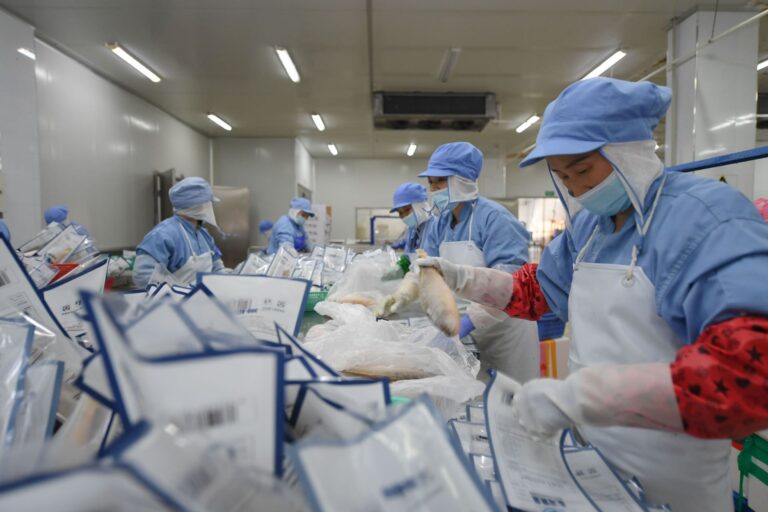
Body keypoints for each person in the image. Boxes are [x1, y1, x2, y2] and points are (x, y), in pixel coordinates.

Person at [416, 78, 768, 511]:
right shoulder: (589, 227)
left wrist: (582, 396)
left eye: (582, 171)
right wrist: (461, 278)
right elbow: (536, 291)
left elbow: (749, 374)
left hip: (675, 475)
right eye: (563, 176)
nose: (575, 189)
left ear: (629, 152)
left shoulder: (706, 219)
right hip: (593, 458)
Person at [384, 142, 539, 384]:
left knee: (509, 400)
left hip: (505, 333)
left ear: (463, 180)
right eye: (431, 183)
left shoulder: (496, 219)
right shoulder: (440, 223)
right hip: (468, 335)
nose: (434, 190)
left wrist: (468, 322)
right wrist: (403, 294)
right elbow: (425, 268)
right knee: (472, 398)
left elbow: (511, 287)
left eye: (440, 182)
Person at [133, 177, 226, 288]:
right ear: (195, 205)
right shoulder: (162, 234)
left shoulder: (204, 235)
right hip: (174, 299)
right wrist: (176, 292)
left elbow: (217, 267)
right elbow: (143, 276)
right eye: (207, 203)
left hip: (203, 298)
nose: (210, 207)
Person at [389, 182, 433, 254]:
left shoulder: (437, 228)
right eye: (400, 213)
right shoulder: (412, 230)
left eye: (406, 210)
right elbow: (408, 255)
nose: (404, 216)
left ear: (420, 205)